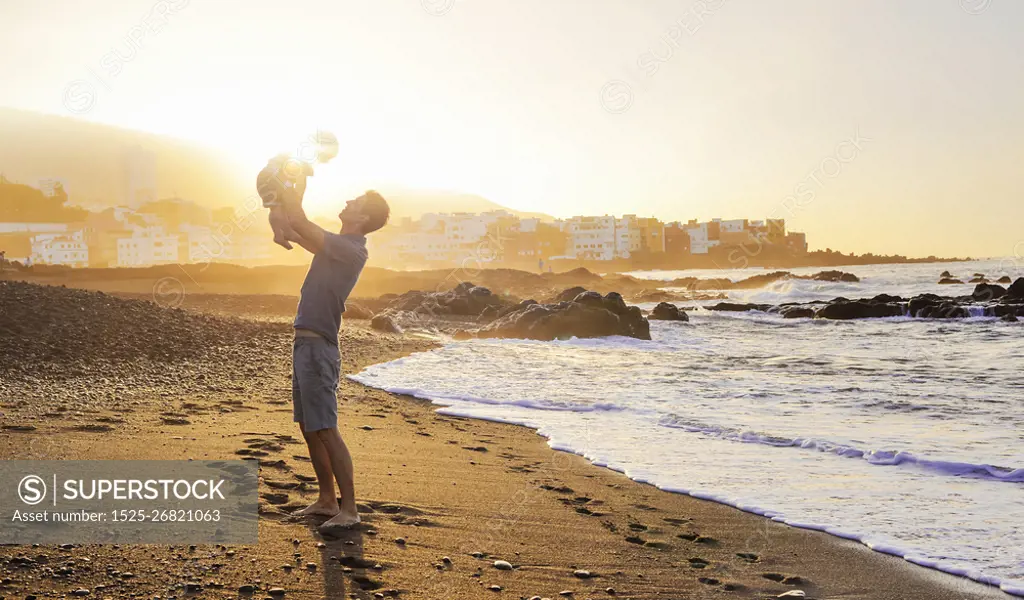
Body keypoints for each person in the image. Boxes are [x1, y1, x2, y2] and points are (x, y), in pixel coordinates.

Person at [279, 181, 390, 533]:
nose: (346, 200)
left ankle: (350, 509)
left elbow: (301, 221)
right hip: (305, 345)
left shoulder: (351, 249)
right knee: (309, 428)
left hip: (319, 348)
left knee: (325, 428)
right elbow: (297, 227)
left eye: (355, 200)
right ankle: (327, 500)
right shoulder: (335, 248)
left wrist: (294, 186)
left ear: (363, 216)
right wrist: (282, 206)